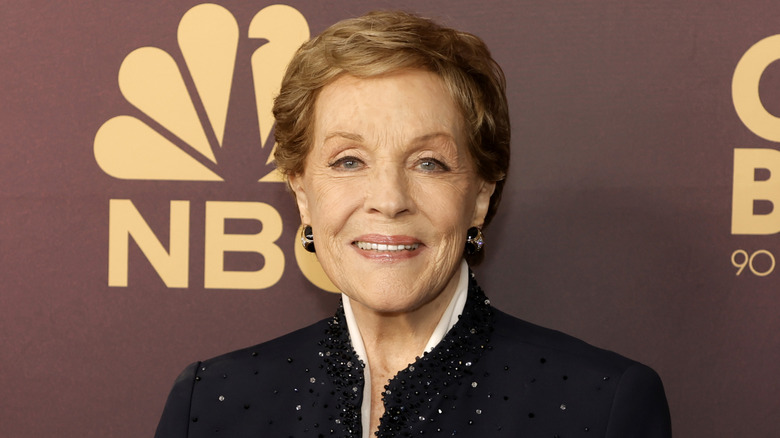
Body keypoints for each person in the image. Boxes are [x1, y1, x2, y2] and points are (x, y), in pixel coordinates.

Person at [154, 10, 671, 438]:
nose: (389, 200)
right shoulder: (210, 403)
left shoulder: (601, 406)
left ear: (480, 197)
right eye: (349, 161)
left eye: (429, 163)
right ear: (302, 193)